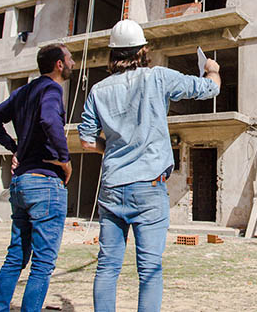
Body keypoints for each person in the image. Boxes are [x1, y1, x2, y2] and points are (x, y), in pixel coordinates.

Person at [78, 19, 220, 312]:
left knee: (107, 267)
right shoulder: (157, 78)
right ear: (143, 50)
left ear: (113, 54)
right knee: (150, 269)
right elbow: (209, 89)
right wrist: (213, 71)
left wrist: (113, 149)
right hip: (149, 187)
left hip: (112, 186)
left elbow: (87, 142)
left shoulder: (98, 90)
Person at [0, 43, 74, 312]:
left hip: (21, 182)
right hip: (45, 182)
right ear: (59, 64)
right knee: (43, 263)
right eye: (70, 58)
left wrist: (15, 148)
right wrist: (64, 158)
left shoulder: (23, 91)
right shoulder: (51, 89)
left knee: (15, 257)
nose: (73, 63)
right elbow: (49, 119)